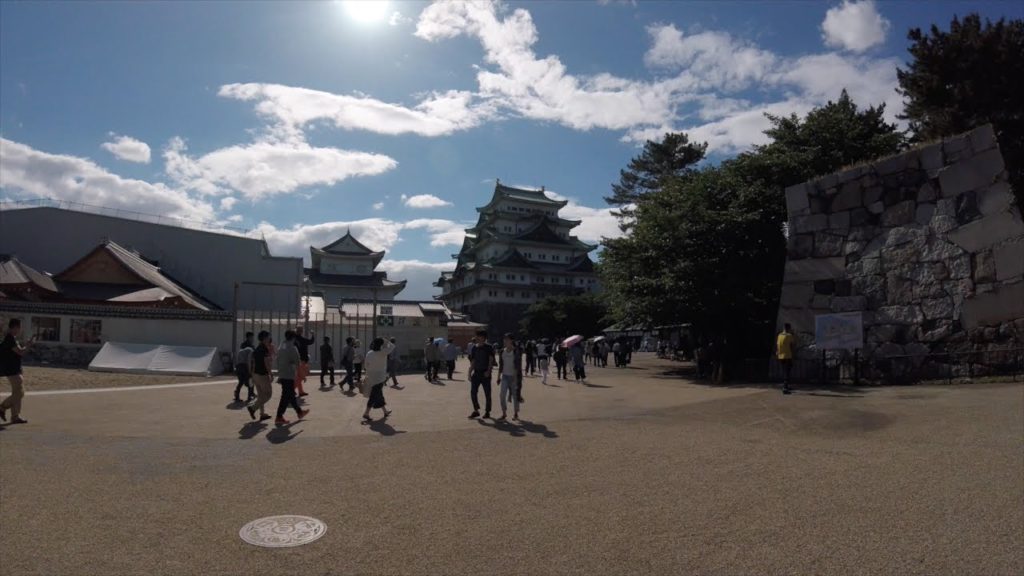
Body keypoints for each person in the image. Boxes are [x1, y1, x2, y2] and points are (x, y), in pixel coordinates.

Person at [0, 318, 34, 425]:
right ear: (15, 327)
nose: (20, 329)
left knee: (17, 392)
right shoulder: (10, 338)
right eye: (19, 327)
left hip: (14, 369)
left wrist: (27, 345)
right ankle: (2, 407)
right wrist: (29, 345)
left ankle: (15, 416)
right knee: (20, 392)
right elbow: (21, 352)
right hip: (11, 370)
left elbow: (19, 352)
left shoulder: (12, 338)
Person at [274, 330, 309, 425]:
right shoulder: (293, 348)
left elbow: (277, 360)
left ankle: (299, 412)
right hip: (289, 375)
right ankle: (279, 416)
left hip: (282, 374)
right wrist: (302, 376)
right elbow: (298, 365)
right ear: (294, 338)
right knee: (286, 396)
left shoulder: (281, 346)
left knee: (290, 395)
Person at [361, 337, 395, 423]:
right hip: (380, 376)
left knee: (378, 393)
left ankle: (385, 411)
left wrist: (368, 373)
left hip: (371, 376)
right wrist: (385, 340)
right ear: (381, 344)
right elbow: (392, 346)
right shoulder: (383, 352)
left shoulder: (369, 353)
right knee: (374, 395)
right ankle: (366, 413)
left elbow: (366, 365)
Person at [246, 331, 274, 421]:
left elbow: (252, 363)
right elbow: (266, 363)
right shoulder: (264, 349)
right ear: (265, 338)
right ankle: (252, 407)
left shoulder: (256, 348)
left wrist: (251, 375)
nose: (269, 338)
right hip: (262, 375)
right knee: (268, 395)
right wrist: (270, 373)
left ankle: (262, 414)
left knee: (261, 396)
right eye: (269, 337)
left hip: (255, 375)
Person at [467, 329, 495, 419]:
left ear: (484, 338)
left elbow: (491, 360)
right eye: (476, 336)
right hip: (476, 373)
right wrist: (469, 372)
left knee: (487, 393)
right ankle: (476, 410)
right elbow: (473, 361)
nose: (477, 338)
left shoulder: (489, 347)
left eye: (479, 336)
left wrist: (488, 371)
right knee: (473, 392)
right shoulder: (474, 347)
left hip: (485, 373)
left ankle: (487, 411)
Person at [497, 333, 522, 420]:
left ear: (511, 340)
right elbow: (501, 365)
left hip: (513, 376)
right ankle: (504, 413)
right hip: (505, 376)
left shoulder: (515, 351)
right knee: (502, 395)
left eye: (507, 339)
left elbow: (517, 366)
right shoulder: (502, 351)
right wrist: (498, 376)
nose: (505, 341)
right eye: (504, 339)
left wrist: (515, 379)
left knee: (515, 396)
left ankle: (515, 413)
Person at [233, 332, 255, 403]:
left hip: (238, 366)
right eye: (252, 337)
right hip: (245, 366)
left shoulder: (242, 349)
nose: (252, 339)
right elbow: (248, 360)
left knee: (241, 382)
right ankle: (249, 397)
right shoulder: (251, 350)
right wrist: (249, 370)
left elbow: (238, 359)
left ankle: (237, 396)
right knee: (250, 381)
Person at [293, 326, 315, 397]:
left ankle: (301, 391)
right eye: (301, 330)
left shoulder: (293, 339)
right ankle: (291, 390)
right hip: (302, 360)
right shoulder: (301, 339)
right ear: (300, 331)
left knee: (299, 376)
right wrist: (312, 334)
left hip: (295, 360)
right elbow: (311, 341)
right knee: (301, 376)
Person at [776, 324, 796, 395]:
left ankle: (786, 386)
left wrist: (778, 353)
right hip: (788, 356)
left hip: (781, 356)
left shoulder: (779, 335)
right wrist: (793, 355)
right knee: (787, 372)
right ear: (788, 328)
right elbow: (792, 346)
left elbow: (778, 346)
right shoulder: (789, 336)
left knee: (784, 371)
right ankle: (785, 387)